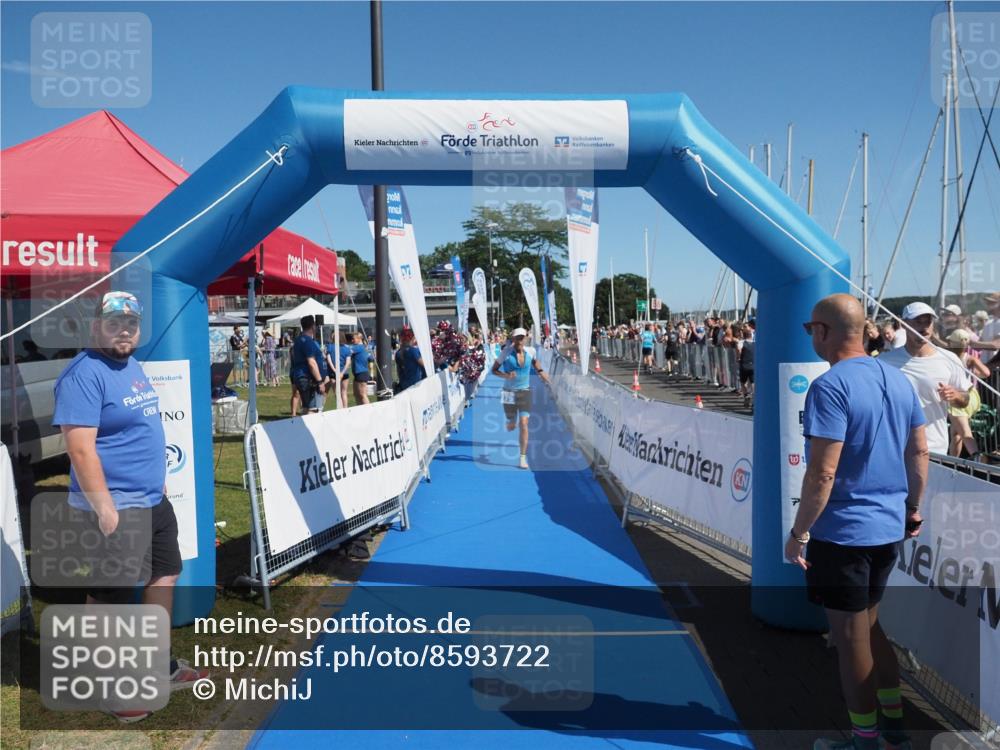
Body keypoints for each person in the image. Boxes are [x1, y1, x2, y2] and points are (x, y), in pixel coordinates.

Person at [52, 291, 208, 722]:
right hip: (115, 507)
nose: (124, 330)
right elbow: (81, 450)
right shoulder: (83, 374)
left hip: (153, 501)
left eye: (131, 323)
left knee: (165, 574)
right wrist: (105, 509)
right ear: (95, 325)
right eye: (114, 322)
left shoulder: (131, 365)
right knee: (110, 596)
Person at [785, 294, 928, 750]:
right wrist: (912, 507)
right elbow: (918, 453)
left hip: (844, 532)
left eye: (811, 330)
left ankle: (866, 741)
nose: (810, 337)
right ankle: (893, 726)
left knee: (850, 641)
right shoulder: (898, 379)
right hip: (888, 527)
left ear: (824, 331)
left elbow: (823, 472)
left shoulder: (830, 387)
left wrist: (798, 533)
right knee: (869, 627)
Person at [878, 302, 974, 455]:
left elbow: (965, 400)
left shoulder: (949, 359)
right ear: (903, 324)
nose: (924, 327)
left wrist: (955, 395)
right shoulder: (885, 362)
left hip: (935, 449)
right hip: (895, 449)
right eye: (918, 322)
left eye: (928, 322)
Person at [491, 327, 551, 470]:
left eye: (521, 337)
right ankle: (511, 420)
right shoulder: (505, 353)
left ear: (525, 338)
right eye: (517, 337)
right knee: (512, 423)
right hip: (508, 393)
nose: (519, 340)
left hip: (525, 391)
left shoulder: (531, 351)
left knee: (524, 423)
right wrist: (506, 376)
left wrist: (542, 372)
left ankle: (522, 458)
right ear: (513, 339)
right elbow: (494, 370)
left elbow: (535, 362)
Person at [289, 315, 326, 414]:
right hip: (308, 378)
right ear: (313, 326)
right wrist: (319, 381)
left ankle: (301, 427)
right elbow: (311, 362)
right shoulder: (308, 341)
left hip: (300, 376)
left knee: (306, 407)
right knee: (312, 409)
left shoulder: (298, 340)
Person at [324, 331, 353, 408]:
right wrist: (342, 372)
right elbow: (348, 362)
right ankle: (345, 409)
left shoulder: (329, 346)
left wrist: (335, 371)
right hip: (344, 373)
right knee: (344, 392)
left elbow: (329, 360)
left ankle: (341, 410)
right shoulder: (347, 348)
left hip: (333, 373)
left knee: (337, 394)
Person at [394, 328, 426, 393]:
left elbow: (398, 369)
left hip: (404, 383)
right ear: (413, 338)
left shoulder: (398, 352)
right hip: (415, 383)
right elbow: (425, 364)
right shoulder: (413, 350)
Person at [350, 331, 373, 406]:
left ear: (359, 339)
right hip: (358, 373)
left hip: (361, 373)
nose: (352, 340)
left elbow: (348, 351)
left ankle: (368, 411)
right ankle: (360, 411)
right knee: (357, 394)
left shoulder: (358, 347)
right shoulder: (360, 347)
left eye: (353, 339)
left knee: (362, 395)